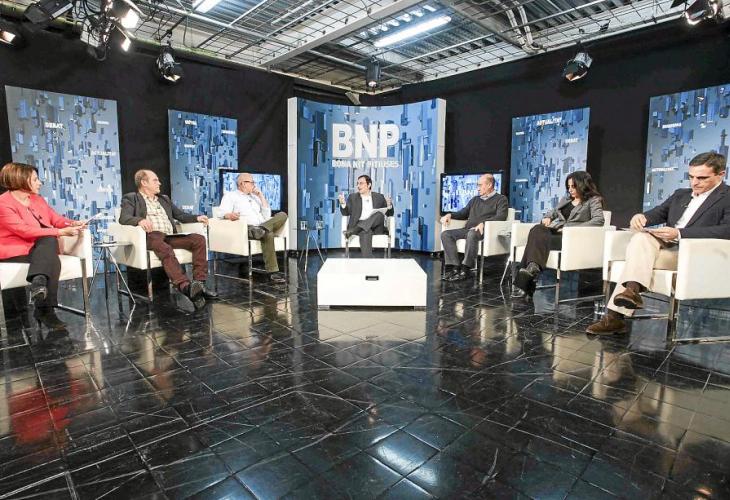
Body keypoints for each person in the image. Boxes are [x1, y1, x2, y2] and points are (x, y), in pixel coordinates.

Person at [587, 152, 730, 334]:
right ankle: (630, 292)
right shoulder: (680, 194)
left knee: (636, 259)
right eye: (691, 177)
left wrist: (680, 233)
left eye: (702, 178)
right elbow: (657, 213)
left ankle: (616, 316)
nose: (694, 183)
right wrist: (641, 217)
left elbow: (726, 230)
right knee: (641, 237)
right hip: (667, 248)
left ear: (721, 174)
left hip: (695, 253)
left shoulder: (727, 196)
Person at [0, 162, 87, 329]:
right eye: (35, 179)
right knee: (51, 252)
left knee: (49, 242)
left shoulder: (37, 199)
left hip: (40, 247)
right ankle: (45, 310)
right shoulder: (3, 203)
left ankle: (39, 284)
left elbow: (55, 219)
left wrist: (72, 223)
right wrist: (59, 232)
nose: (40, 183)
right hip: (14, 250)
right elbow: (23, 230)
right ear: (20, 180)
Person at [119, 169, 217, 307]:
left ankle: (199, 285)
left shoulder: (164, 199)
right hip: (151, 235)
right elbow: (124, 218)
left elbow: (180, 215)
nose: (159, 183)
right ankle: (185, 286)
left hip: (169, 236)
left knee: (198, 239)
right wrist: (139, 220)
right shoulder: (131, 198)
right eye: (155, 180)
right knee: (164, 247)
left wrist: (197, 218)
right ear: (144, 183)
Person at [513, 171, 605, 298]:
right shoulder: (566, 200)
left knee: (534, 241)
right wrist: (548, 218)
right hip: (556, 233)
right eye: (568, 187)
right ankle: (532, 268)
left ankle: (527, 280)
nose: (570, 190)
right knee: (537, 228)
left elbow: (599, 220)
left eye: (573, 186)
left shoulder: (593, 200)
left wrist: (570, 229)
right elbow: (553, 212)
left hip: (571, 237)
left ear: (582, 185)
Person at [219, 172, 289, 282]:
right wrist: (230, 215)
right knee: (268, 233)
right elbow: (221, 213)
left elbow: (266, 215)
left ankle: (262, 229)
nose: (254, 185)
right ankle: (273, 272)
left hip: (260, 226)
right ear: (242, 183)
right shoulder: (231, 196)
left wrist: (261, 196)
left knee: (283, 215)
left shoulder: (255, 197)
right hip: (247, 228)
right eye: (252, 182)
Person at [440, 173, 509, 281]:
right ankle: (455, 267)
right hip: (468, 229)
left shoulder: (501, 199)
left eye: (480, 185)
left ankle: (465, 269)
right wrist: (450, 215)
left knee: (472, 234)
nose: (478, 188)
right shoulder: (475, 200)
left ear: (489, 185)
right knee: (446, 234)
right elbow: (463, 213)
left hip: (484, 231)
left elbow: (501, 216)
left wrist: (484, 223)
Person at [338, 174, 394, 258]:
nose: (358, 186)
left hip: (376, 228)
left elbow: (390, 214)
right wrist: (343, 204)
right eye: (357, 183)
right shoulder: (353, 197)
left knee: (379, 214)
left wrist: (389, 205)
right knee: (365, 231)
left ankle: (354, 230)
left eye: (361, 183)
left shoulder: (379, 197)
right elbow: (346, 213)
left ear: (369, 185)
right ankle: (369, 261)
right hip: (359, 226)